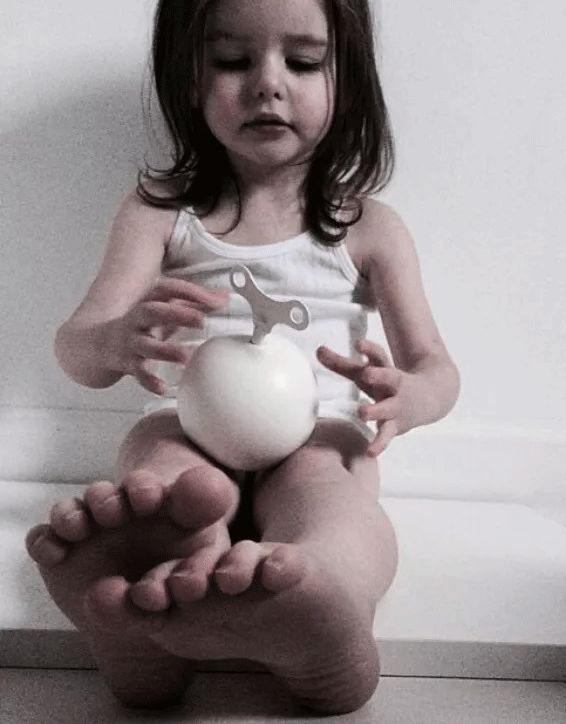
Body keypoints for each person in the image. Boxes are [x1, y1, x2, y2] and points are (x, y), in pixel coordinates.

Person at [25, 0, 459, 714]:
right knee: (163, 475)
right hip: (186, 422)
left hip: (320, 430)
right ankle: (153, 602)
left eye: (303, 61)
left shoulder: (368, 228)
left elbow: (437, 368)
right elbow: (77, 348)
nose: (267, 83)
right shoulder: (160, 213)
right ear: (188, 79)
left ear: (347, 78)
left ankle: (324, 605)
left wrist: (406, 396)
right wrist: (113, 339)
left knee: (333, 500)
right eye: (232, 60)